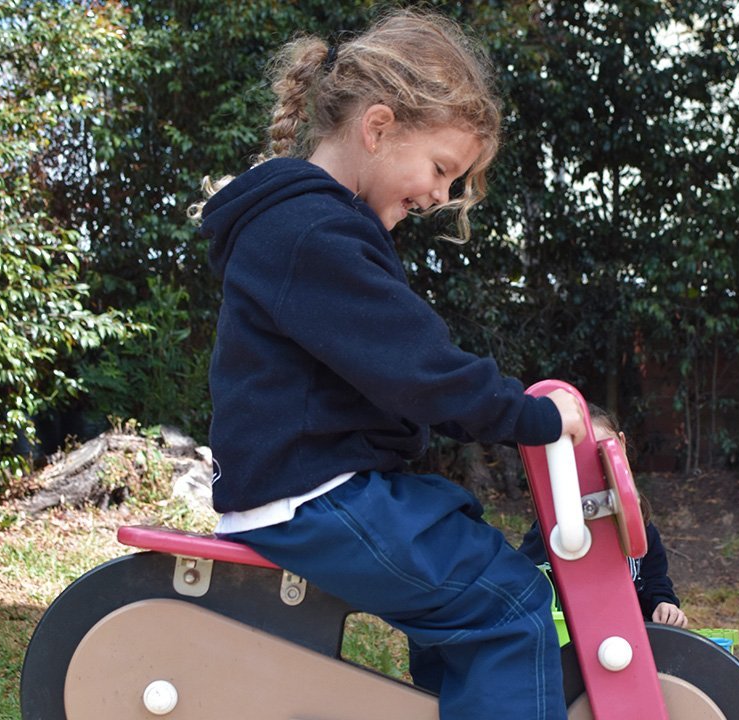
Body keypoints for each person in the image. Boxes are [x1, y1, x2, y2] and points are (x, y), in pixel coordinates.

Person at [195, 11, 584, 720]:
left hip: (320, 485)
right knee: (508, 601)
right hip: (313, 496)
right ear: (377, 127)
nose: (440, 195)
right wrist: (531, 417)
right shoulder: (313, 233)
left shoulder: (311, 226)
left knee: (467, 569)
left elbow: (396, 369)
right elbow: (419, 368)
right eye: (440, 169)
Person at [519, 405, 688, 629]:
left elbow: (654, 583)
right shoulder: (554, 533)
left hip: (633, 640)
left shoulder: (644, 530)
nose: (595, 467)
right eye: (581, 458)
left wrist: (664, 604)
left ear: (622, 444)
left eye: (602, 453)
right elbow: (524, 584)